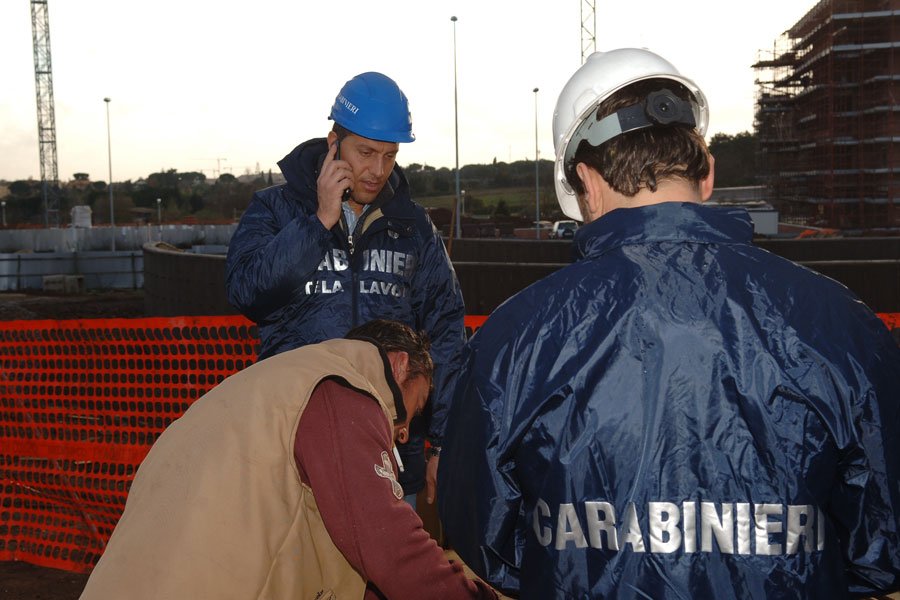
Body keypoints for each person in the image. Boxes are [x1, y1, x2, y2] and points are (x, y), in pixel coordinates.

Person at [437, 48, 900, 599]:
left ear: (584, 181)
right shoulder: (843, 325)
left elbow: (482, 536)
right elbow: (882, 547)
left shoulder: (515, 339)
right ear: (707, 173)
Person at [80, 319, 497, 600]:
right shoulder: (345, 391)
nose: (404, 431)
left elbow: (338, 547)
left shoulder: (278, 383)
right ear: (400, 365)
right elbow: (389, 547)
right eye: (413, 408)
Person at [224, 71, 466, 507]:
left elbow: (446, 334)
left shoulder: (413, 229)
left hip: (391, 461)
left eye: (390, 155)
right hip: (294, 454)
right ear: (334, 142)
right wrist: (317, 222)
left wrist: (442, 445)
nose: (377, 170)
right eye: (366, 152)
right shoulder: (275, 211)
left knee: (389, 573)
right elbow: (247, 292)